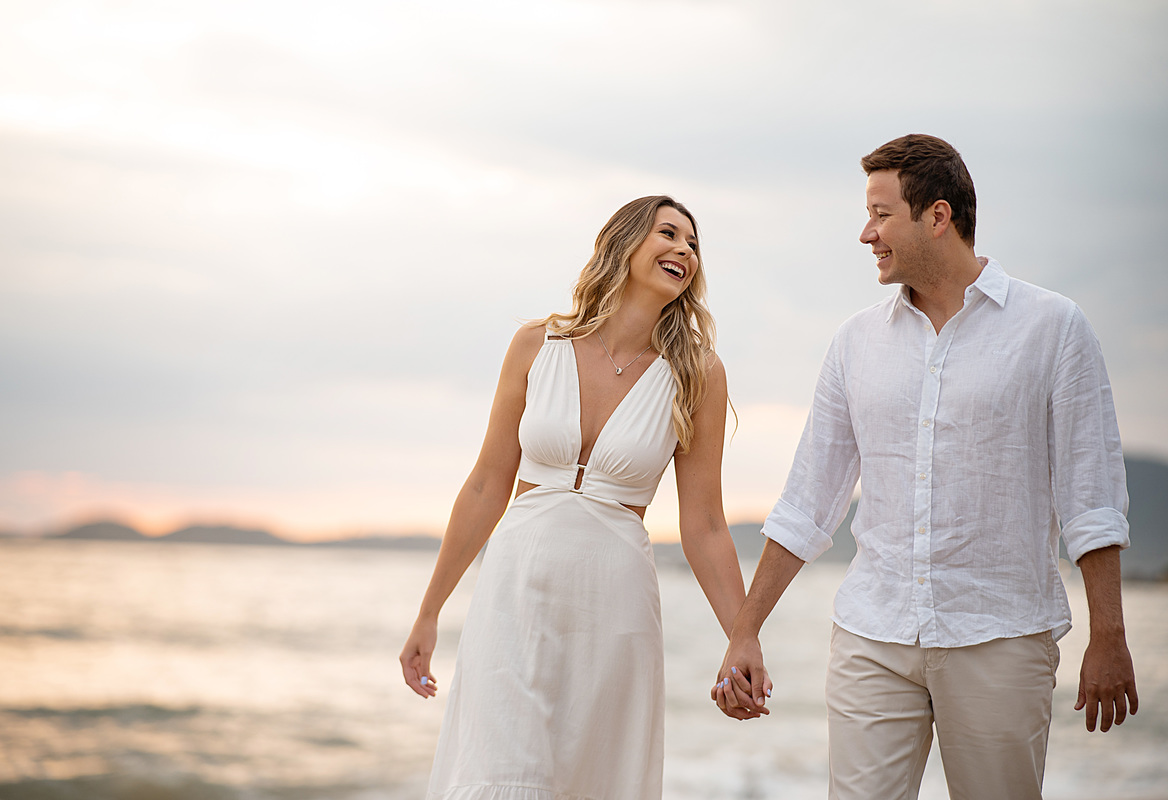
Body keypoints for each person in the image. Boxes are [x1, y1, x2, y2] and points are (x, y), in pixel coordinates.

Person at [713, 134, 1138, 799]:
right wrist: (744, 633)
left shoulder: (1054, 328)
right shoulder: (855, 344)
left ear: (937, 217)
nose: (866, 233)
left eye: (881, 214)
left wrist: (1108, 636)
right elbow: (807, 502)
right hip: (872, 634)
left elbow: (1091, 497)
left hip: (1000, 632)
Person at [400, 195, 747, 800]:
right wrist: (429, 612)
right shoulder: (537, 344)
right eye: (669, 233)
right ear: (624, 242)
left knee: (594, 779)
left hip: (614, 607)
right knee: (499, 771)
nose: (684, 251)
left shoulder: (698, 374)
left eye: (693, 244)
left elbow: (707, 527)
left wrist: (742, 637)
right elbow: (486, 484)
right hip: (516, 590)